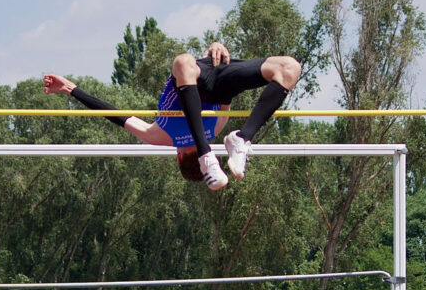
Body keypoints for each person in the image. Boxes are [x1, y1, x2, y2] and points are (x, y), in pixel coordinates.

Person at [43, 41, 301, 190]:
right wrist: (70, 89)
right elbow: (115, 114)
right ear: (178, 158)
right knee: (184, 63)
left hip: (198, 75)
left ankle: (212, 151)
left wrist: (215, 49)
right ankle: (243, 138)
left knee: (184, 63)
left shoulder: (215, 129)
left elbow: (226, 92)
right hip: (211, 75)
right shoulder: (158, 137)